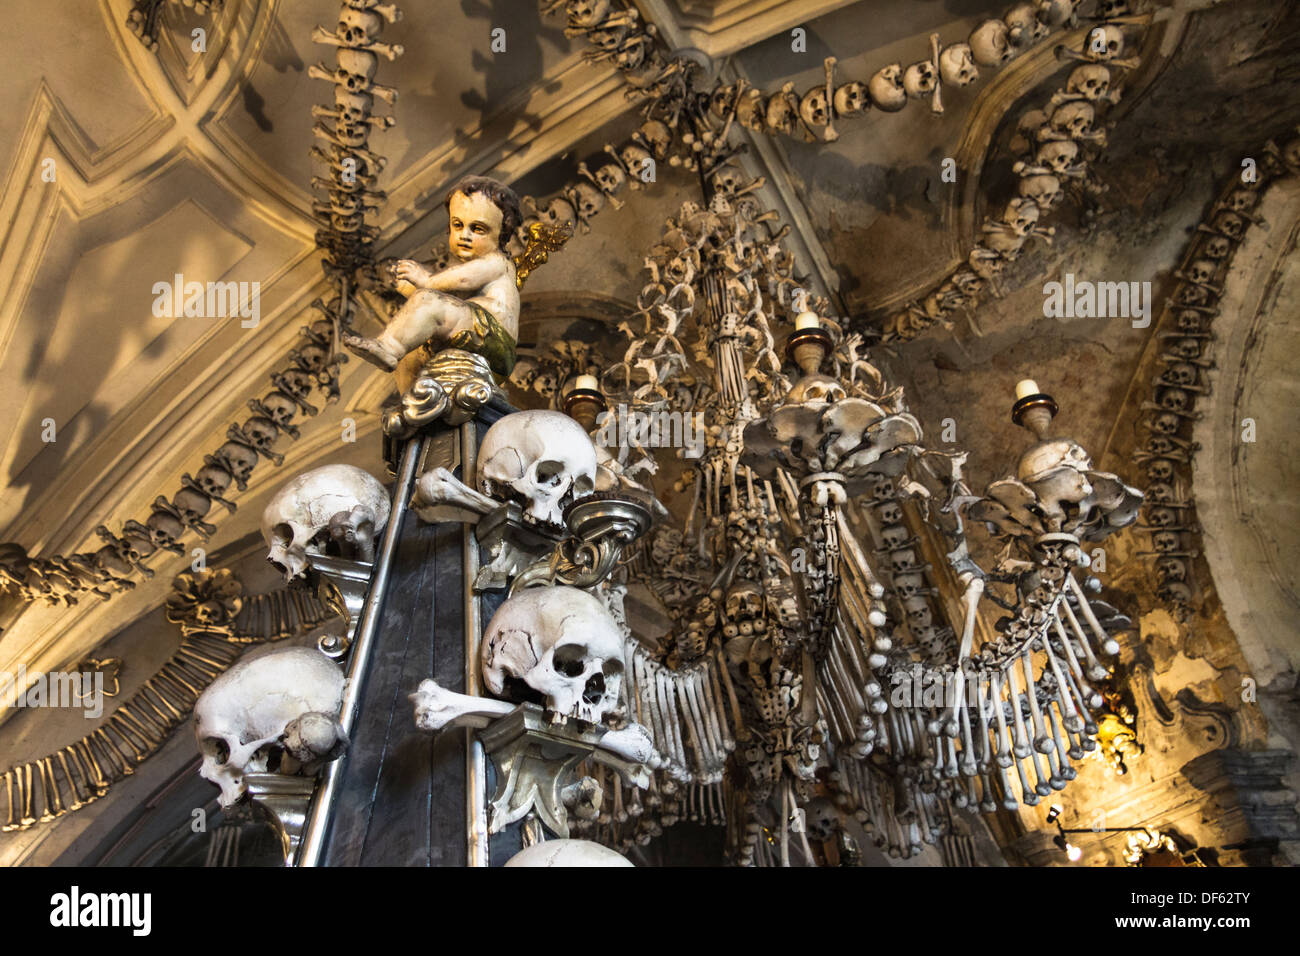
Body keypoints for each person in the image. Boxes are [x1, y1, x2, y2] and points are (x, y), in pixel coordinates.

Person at [343, 175, 521, 377]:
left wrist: (426, 280)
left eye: (478, 228)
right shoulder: (478, 269)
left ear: (502, 233)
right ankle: (410, 391)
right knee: (415, 343)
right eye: (458, 225)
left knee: (428, 300)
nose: (465, 235)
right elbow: (449, 297)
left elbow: (463, 279)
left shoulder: (498, 262)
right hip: (478, 331)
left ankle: (388, 348)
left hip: (493, 338)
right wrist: (407, 285)